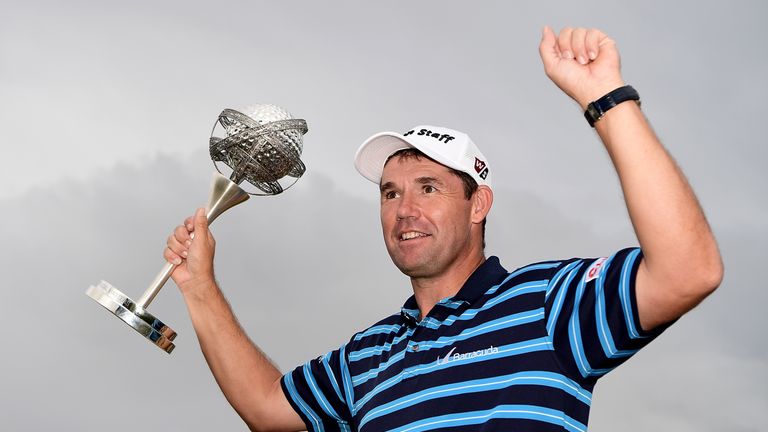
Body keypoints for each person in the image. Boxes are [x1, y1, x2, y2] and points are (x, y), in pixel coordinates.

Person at [164, 26, 723, 431]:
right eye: (390, 192)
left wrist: (607, 99)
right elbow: (267, 407)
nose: (403, 209)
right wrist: (200, 287)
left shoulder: (548, 305)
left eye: (428, 188)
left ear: (478, 203)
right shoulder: (369, 354)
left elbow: (688, 271)